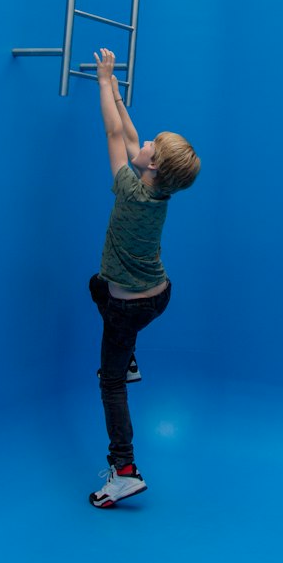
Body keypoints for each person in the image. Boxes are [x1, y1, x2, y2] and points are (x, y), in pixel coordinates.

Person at [88, 47, 200, 508]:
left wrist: (103, 80)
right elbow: (131, 133)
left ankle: (125, 470)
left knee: (110, 384)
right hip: (159, 296)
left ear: (151, 166)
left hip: (128, 306)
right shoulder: (159, 191)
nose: (145, 141)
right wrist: (118, 92)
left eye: (153, 144)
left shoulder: (129, 190)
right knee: (96, 283)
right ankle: (130, 356)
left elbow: (116, 133)